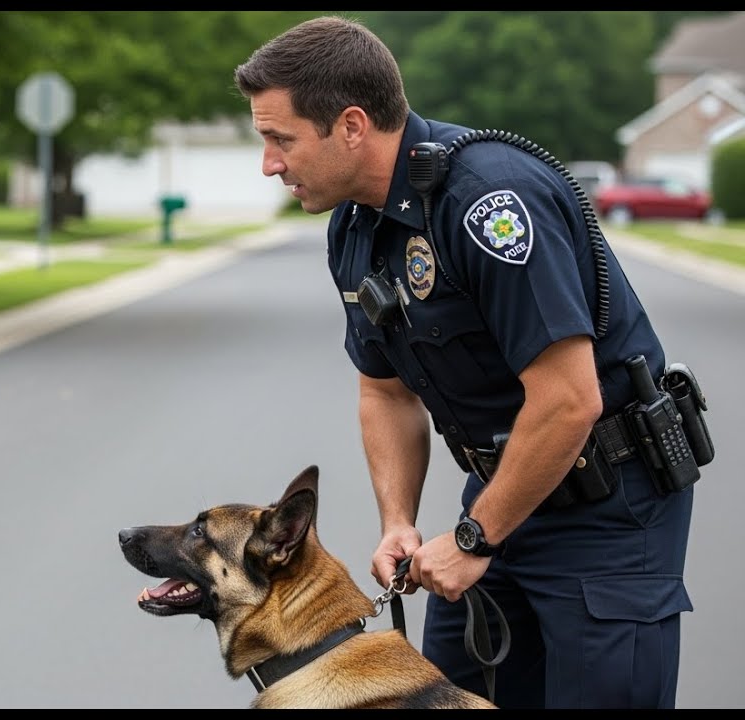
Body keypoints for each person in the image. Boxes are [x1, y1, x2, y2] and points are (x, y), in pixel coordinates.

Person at [234, 16, 699, 709]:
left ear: (352, 126)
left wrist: (478, 537)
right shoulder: (355, 227)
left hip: (609, 512)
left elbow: (569, 401)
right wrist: (400, 521)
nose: (269, 162)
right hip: (498, 500)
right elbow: (384, 391)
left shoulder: (486, 201)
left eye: (281, 138)